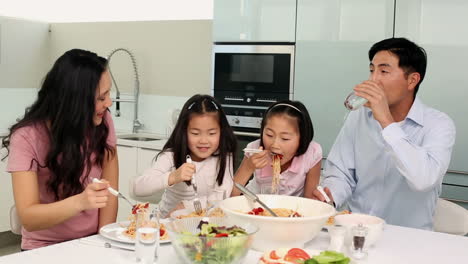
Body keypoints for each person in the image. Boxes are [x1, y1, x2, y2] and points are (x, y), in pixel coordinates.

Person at [313, 38, 456, 230]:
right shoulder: (360, 117)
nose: (373, 80)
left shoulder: (439, 124)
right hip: (357, 232)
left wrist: (387, 122)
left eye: (384, 71)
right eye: (372, 70)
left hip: (411, 241)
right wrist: (331, 197)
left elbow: (423, 180)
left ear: (412, 80)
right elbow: (341, 171)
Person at [1, 49, 118, 250]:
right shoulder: (27, 137)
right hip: (42, 247)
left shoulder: (103, 121)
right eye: (101, 97)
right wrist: (81, 202)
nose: (108, 103)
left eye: (109, 94)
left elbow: (109, 194)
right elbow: (28, 217)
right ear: (75, 101)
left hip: (92, 242)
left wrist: (104, 244)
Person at [133, 94, 237, 217]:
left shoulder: (224, 155)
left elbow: (222, 197)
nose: (204, 140)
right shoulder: (171, 156)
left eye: (212, 133)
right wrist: (172, 177)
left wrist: (187, 206)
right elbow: (138, 187)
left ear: (221, 132)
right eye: (195, 133)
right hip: (166, 224)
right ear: (184, 131)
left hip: (202, 223)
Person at [232, 100, 322, 198]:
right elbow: (231, 195)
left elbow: (310, 201)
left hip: (293, 210)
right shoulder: (255, 149)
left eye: (285, 138)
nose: (275, 145)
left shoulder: (311, 154)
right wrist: (248, 167)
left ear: (302, 138)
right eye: (269, 135)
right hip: (255, 206)